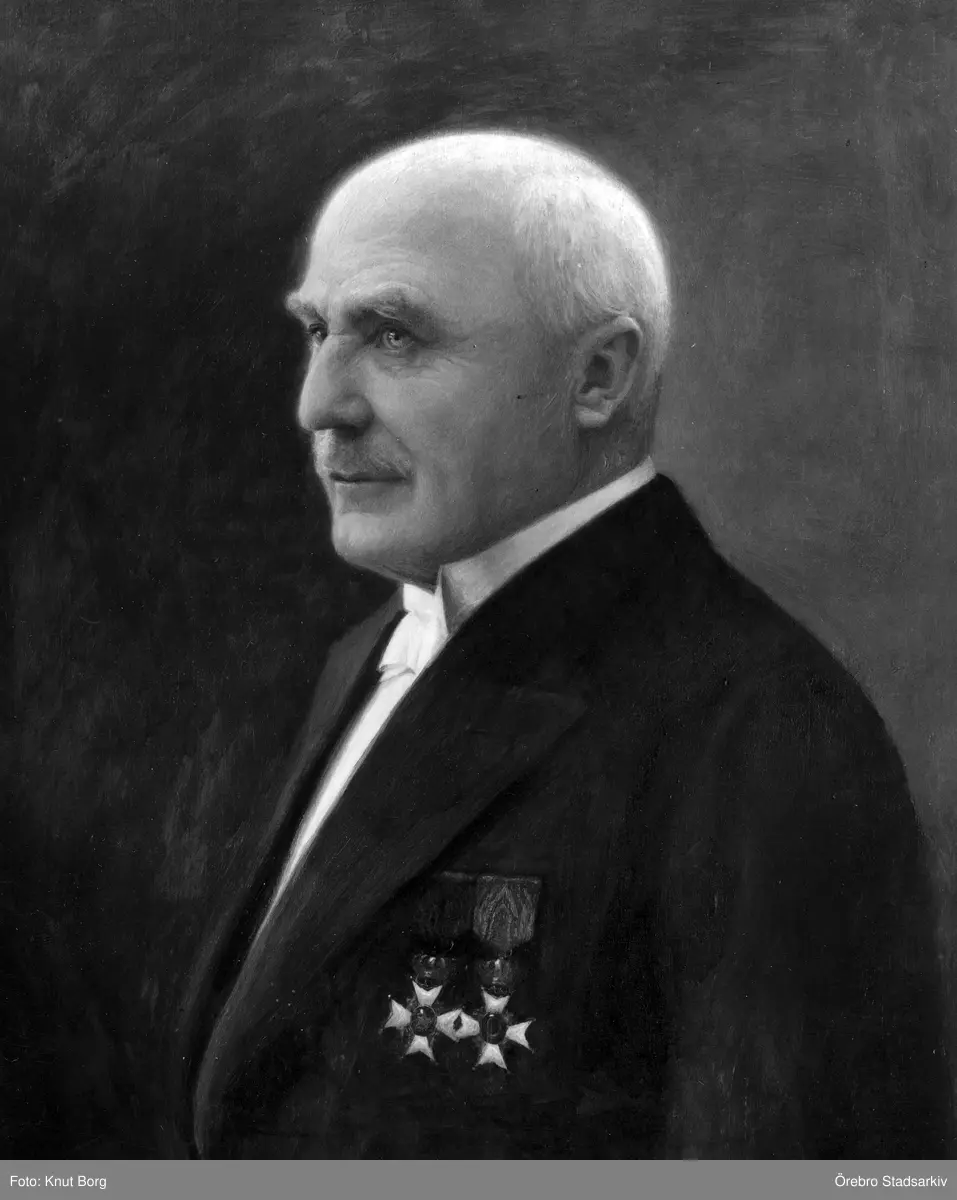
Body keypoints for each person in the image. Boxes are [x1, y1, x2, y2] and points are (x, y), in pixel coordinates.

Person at [175, 129, 951, 1158]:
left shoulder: (762, 728)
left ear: (598, 376)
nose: (319, 403)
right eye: (319, 329)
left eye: (395, 335)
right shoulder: (369, 653)